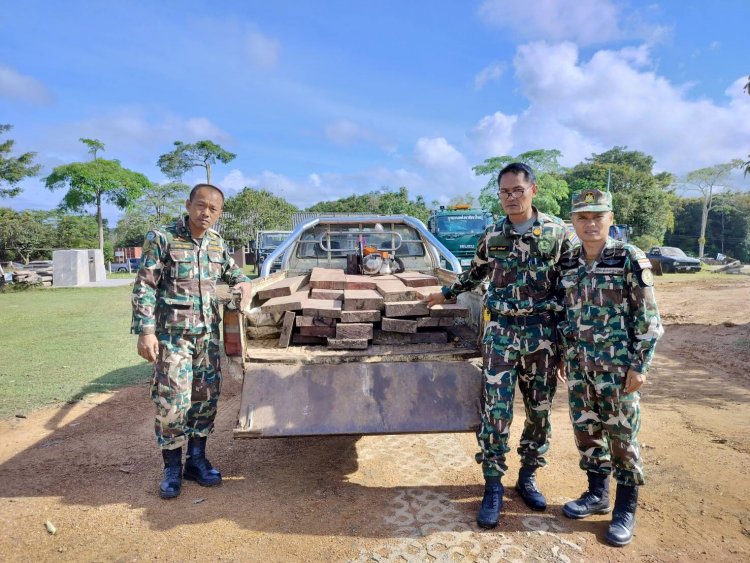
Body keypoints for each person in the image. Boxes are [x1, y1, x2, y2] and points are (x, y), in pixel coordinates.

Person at [425, 162, 573, 528]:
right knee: (496, 413)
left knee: (539, 413)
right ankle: (493, 486)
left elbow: (572, 290)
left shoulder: (557, 233)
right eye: (504, 192)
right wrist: (446, 293)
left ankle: (527, 478)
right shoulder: (492, 236)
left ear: (533, 190)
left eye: (517, 190)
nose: (510, 198)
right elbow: (474, 272)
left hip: (542, 336)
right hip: (501, 335)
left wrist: (568, 348)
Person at [131, 183, 252, 499]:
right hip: (173, 338)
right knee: (173, 402)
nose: (205, 212)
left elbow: (235, 274)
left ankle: (196, 460)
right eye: (201, 205)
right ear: (188, 205)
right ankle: (172, 468)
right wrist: (146, 331)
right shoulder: (162, 239)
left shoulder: (216, 243)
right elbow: (145, 287)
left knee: (205, 399)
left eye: (213, 209)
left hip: (208, 338)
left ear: (219, 212)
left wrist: (245, 286)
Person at [557, 189, 663, 546]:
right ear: (573, 222)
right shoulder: (569, 263)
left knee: (622, 440)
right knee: (587, 435)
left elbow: (648, 319)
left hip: (618, 372)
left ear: (610, 219)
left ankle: (624, 509)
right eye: (582, 217)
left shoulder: (629, 258)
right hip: (579, 368)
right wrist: (563, 355)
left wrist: (640, 364)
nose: (590, 223)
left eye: (597, 216)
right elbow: (566, 315)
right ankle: (596, 494)